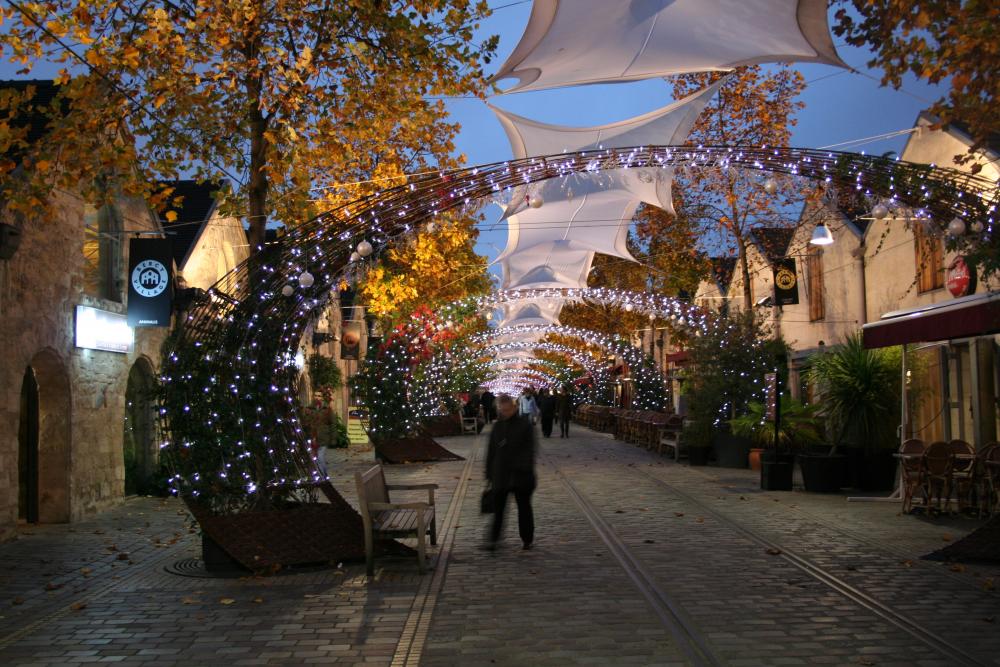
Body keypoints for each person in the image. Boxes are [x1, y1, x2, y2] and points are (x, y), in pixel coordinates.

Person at [485, 394, 536, 550]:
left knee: (524, 508)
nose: (505, 413)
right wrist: (489, 473)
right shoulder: (498, 426)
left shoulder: (525, 425)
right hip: (501, 474)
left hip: (521, 475)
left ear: (514, 407)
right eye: (502, 410)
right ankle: (493, 540)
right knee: (498, 509)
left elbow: (530, 450)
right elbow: (491, 451)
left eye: (507, 410)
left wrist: (521, 466)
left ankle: (527, 539)